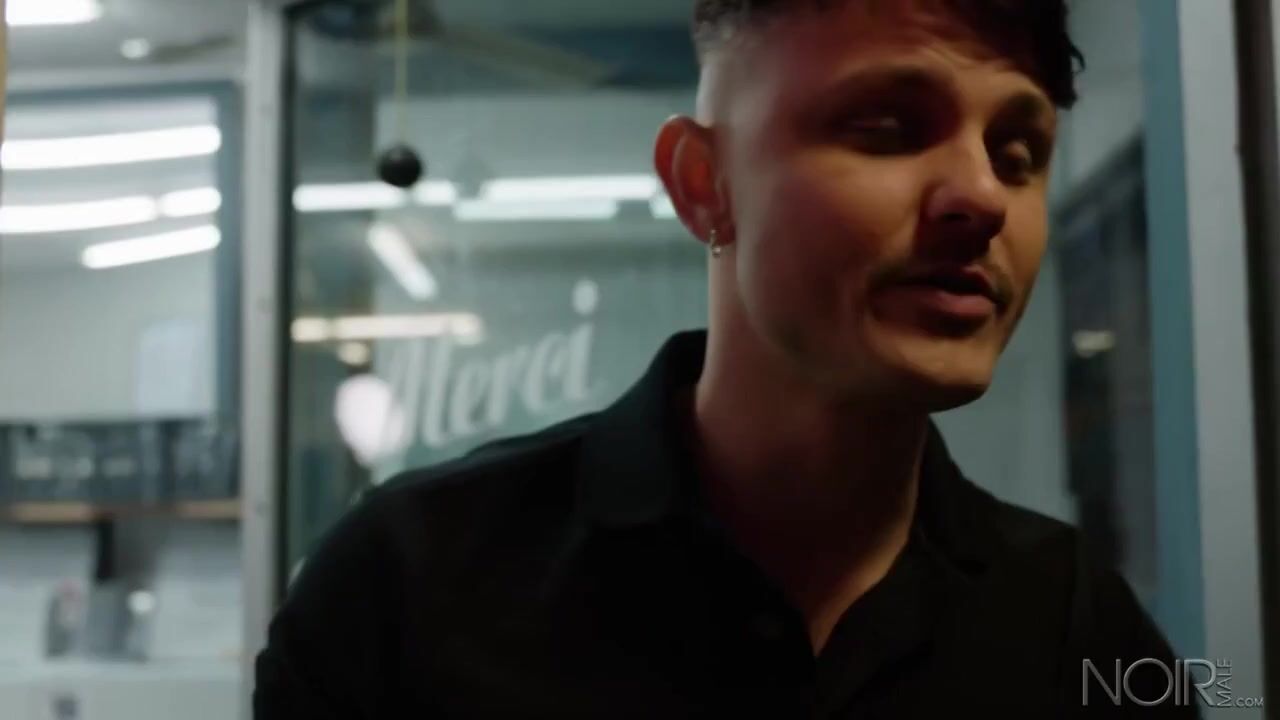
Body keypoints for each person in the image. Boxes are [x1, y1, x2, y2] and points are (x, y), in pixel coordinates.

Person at [256, 1, 1198, 716]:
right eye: (887, 129)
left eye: (1017, 151)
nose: (983, 197)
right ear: (704, 183)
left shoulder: (1078, 628)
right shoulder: (406, 589)